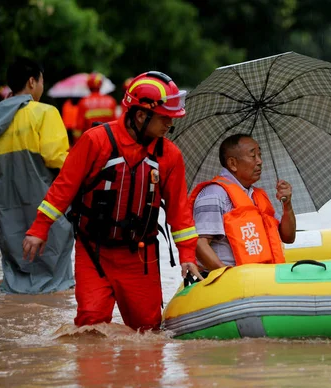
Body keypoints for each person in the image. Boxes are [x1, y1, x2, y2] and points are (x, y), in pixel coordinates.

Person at [22, 71, 202, 332]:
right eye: (165, 118)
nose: (169, 126)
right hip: (94, 252)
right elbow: (63, 188)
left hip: (140, 257)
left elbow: (179, 211)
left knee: (148, 330)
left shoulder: (170, 156)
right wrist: (39, 228)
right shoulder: (94, 141)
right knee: (90, 326)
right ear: (141, 115)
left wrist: (187, 253)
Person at [0, 56, 74, 294]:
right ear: (32, 82)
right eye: (41, 82)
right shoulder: (45, 113)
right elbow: (57, 158)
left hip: (8, 210)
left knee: (16, 278)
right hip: (45, 204)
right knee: (55, 283)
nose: (41, 87)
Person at [189, 134, 296, 273]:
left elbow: (288, 237)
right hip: (232, 283)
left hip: (262, 278)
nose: (259, 161)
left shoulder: (258, 195)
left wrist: (287, 205)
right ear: (233, 163)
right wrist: (228, 276)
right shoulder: (214, 194)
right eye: (253, 156)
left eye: (260, 155)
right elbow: (199, 243)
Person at [72, 72, 117, 144]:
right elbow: (115, 124)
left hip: (90, 142)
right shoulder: (111, 101)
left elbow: (79, 127)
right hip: (109, 142)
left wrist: (76, 143)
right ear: (101, 85)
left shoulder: (83, 102)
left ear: (88, 85)